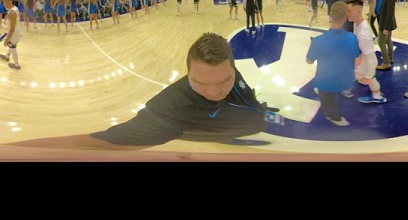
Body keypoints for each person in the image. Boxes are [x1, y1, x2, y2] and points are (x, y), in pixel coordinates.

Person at [8, 33, 276, 149]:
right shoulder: (168, 110)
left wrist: (257, 109)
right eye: (201, 83)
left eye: (223, 80)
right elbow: (100, 143)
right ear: (187, 74)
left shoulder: (232, 73)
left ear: (231, 68)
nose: (215, 90)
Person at [306, 2, 360, 126]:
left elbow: (308, 61)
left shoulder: (318, 41)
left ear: (330, 16)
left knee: (324, 91)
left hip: (326, 82)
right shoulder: (352, 38)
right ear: (346, 18)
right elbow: (357, 60)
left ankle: (334, 117)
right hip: (347, 81)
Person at [346, 0, 387, 104]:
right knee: (372, 80)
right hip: (361, 61)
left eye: (349, 11)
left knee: (369, 79)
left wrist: (368, 76)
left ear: (358, 11)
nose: (347, 13)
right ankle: (377, 97)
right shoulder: (356, 23)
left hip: (363, 66)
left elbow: (372, 59)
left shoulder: (363, 32)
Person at [376, 0, 397, 71]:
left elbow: (390, 13)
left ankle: (386, 62)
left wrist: (386, 28)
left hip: (386, 24)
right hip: (388, 23)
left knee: (381, 42)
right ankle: (390, 57)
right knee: (388, 40)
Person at [0, 0, 22, 70]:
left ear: (7, 2)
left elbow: (12, 29)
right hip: (17, 29)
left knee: (12, 47)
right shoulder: (14, 8)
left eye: (4, 2)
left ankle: (16, 64)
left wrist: (6, 40)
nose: (3, 4)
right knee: (12, 45)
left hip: (14, 31)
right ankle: (7, 56)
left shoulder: (12, 12)